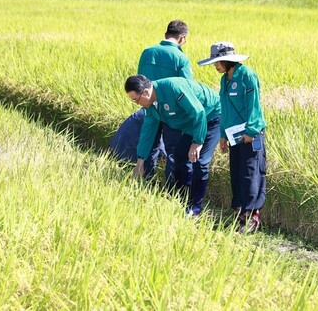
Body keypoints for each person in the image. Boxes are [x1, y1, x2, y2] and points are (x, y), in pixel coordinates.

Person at [110, 20, 193, 185]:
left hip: (150, 106)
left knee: (149, 144)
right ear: (182, 38)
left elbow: (139, 80)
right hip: (173, 112)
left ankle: (146, 183)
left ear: (166, 35)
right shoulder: (181, 58)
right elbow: (187, 88)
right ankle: (172, 190)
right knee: (173, 151)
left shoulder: (147, 52)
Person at [125, 75, 221, 217]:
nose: (137, 104)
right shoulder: (151, 105)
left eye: (136, 100)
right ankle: (182, 199)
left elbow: (198, 112)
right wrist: (140, 161)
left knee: (199, 161)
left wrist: (197, 142)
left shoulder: (173, 88)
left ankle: (195, 207)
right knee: (180, 155)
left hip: (211, 116)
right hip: (193, 123)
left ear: (145, 92)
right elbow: (148, 131)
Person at [198, 42, 267, 232]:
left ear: (228, 60)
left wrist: (251, 132)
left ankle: (252, 217)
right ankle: (240, 214)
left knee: (251, 173)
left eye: (218, 62)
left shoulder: (247, 76)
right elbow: (226, 110)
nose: (215, 66)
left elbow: (255, 106)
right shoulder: (224, 80)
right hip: (233, 135)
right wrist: (222, 135)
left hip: (251, 135)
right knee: (237, 172)